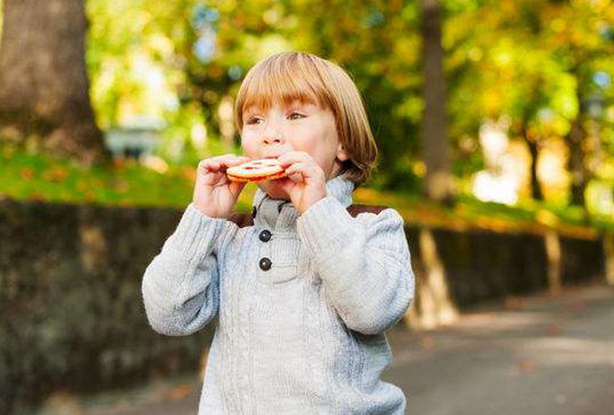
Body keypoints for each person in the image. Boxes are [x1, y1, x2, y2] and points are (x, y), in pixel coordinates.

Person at [142, 51, 415, 414]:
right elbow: (168, 315)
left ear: (343, 144)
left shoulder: (372, 225)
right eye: (255, 120)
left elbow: (373, 311)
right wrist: (202, 219)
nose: (270, 135)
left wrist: (318, 212)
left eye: (295, 115)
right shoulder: (230, 235)